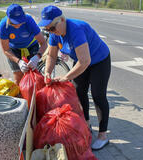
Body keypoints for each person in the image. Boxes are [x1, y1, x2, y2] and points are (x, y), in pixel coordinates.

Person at [38, 5, 111, 150]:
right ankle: (87, 124)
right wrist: (47, 71)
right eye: (47, 29)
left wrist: (66, 77)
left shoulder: (76, 30)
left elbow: (85, 61)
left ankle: (103, 136)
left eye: (52, 28)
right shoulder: (55, 34)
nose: (51, 31)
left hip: (99, 61)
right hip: (82, 61)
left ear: (62, 20)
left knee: (98, 95)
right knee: (79, 92)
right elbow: (52, 55)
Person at [0, 4, 47, 85]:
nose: (17, 25)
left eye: (20, 22)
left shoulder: (29, 20)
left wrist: (38, 56)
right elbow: (6, 50)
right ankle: (20, 95)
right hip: (13, 50)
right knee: (18, 77)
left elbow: (44, 43)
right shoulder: (3, 26)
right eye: (14, 23)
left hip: (31, 46)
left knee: (35, 77)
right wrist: (18, 61)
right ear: (8, 18)